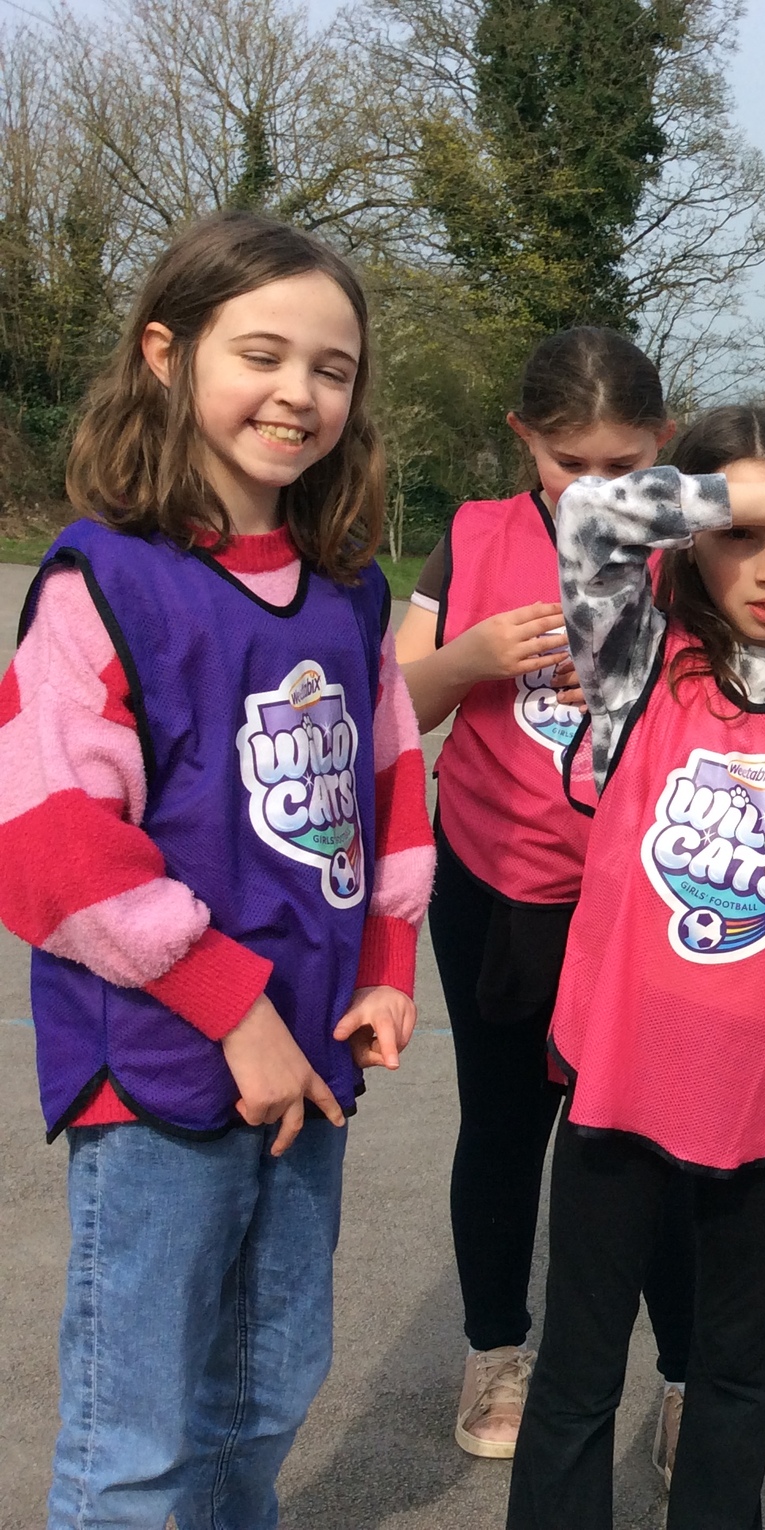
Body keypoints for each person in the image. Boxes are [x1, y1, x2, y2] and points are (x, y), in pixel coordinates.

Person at [0, 210, 433, 1527]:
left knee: (264, 1397)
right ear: (166, 353)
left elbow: (388, 784)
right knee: (135, 1437)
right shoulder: (105, 580)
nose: (299, 392)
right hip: (163, 1071)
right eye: (263, 354)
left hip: (312, 1058)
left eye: (332, 368)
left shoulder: (349, 590)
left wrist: (386, 964)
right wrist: (231, 1009)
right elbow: (51, 842)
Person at [504, 404, 765, 1530]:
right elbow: (590, 515)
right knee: (579, 1372)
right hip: (620, 1089)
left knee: (732, 1372)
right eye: (744, 533)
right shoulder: (639, 664)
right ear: (695, 542)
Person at [393, 327, 697, 1474]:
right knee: (505, 1125)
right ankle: (495, 1351)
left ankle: (687, 1376)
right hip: (498, 884)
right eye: (571, 464)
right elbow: (393, 710)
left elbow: (735, 698)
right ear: (524, 438)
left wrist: (636, 668)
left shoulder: (684, 545)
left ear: (665, 444)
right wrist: (471, 655)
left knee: (647, 1142)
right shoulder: (473, 536)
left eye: (626, 466)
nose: (597, 489)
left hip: (640, 896)